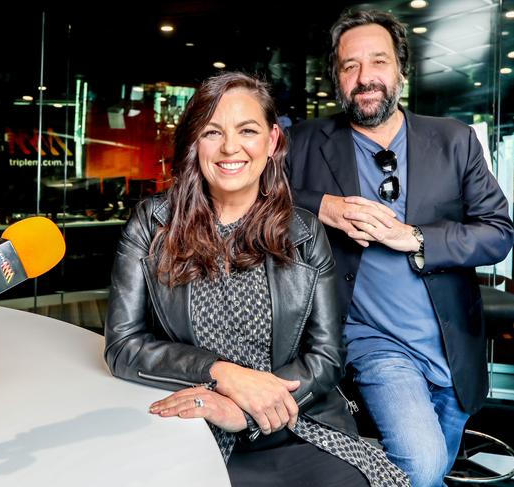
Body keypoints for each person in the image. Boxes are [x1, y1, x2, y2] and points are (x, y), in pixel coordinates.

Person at [104, 72, 408, 487]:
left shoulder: (303, 232)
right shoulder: (151, 223)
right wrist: (222, 373)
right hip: (196, 426)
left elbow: (327, 356)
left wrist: (247, 411)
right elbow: (124, 346)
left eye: (247, 130)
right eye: (213, 132)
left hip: (300, 421)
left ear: (272, 141)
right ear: (195, 143)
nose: (231, 147)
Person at [285, 9, 514, 487]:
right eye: (350, 66)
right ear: (335, 78)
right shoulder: (303, 142)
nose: (365, 78)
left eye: (378, 62)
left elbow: (497, 232)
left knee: (430, 473)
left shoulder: (454, 140)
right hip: (373, 342)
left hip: (452, 344)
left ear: (401, 71)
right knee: (423, 464)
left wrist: (414, 238)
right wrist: (320, 207)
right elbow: (252, 203)